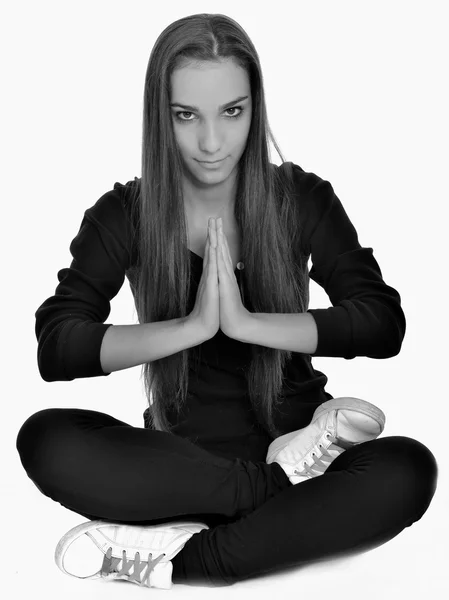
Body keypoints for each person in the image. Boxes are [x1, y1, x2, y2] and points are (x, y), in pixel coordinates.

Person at [16, 12, 438, 590]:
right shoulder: (124, 214)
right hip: (184, 469)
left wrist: (246, 323)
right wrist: (191, 327)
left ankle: (182, 559)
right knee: (44, 439)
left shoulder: (300, 197)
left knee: (408, 469)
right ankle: (272, 493)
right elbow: (57, 346)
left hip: (303, 442)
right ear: (158, 117)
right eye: (186, 115)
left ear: (254, 108)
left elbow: (382, 323)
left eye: (231, 112)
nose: (211, 142)